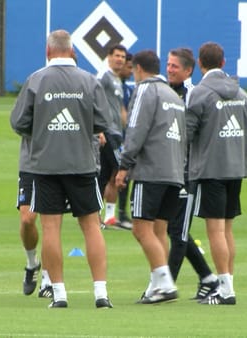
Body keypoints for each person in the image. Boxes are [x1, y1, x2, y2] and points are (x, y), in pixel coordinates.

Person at [10, 29, 113, 309]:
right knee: (91, 226)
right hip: (81, 163)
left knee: (51, 227)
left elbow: (18, 122)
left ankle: (59, 293)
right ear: (71, 51)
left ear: (47, 52)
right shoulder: (88, 81)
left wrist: (44, 129)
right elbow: (104, 121)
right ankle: (101, 293)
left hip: (45, 165)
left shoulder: (36, 80)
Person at [115, 50, 187, 304]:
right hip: (174, 172)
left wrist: (124, 166)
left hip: (151, 171)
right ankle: (156, 287)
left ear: (137, 69)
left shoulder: (146, 90)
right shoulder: (173, 95)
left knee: (140, 229)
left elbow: (135, 129)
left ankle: (165, 283)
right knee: (159, 230)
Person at [186, 42, 247, 305]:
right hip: (235, 168)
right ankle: (228, 284)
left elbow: (187, 134)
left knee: (215, 230)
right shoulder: (242, 94)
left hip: (211, 169)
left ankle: (225, 289)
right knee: (227, 229)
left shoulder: (199, 93)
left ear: (200, 64)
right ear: (223, 63)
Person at [165, 47, 219, 300]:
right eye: (168, 64)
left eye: (174, 66)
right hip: (168, 169)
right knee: (174, 229)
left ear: (189, 69)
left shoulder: (194, 95)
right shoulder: (165, 91)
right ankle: (208, 278)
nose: (169, 69)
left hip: (188, 172)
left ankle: (166, 285)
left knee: (178, 232)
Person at [16, 139, 53, 298]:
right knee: (27, 219)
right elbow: (18, 122)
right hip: (30, 163)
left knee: (50, 222)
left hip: (56, 164)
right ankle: (32, 263)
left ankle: (48, 281)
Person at [97, 44, 128, 228]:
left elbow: (120, 108)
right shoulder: (104, 76)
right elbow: (94, 98)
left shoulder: (117, 79)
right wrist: (98, 129)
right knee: (121, 169)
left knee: (107, 174)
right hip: (107, 132)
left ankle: (105, 216)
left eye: (123, 57)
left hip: (117, 132)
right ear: (108, 57)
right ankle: (106, 215)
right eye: (117, 55)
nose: (120, 59)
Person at [117, 52, 134, 228]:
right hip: (112, 138)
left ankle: (121, 214)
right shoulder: (109, 85)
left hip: (124, 140)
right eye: (128, 67)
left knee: (124, 176)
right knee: (109, 177)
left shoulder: (128, 89)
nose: (130, 71)